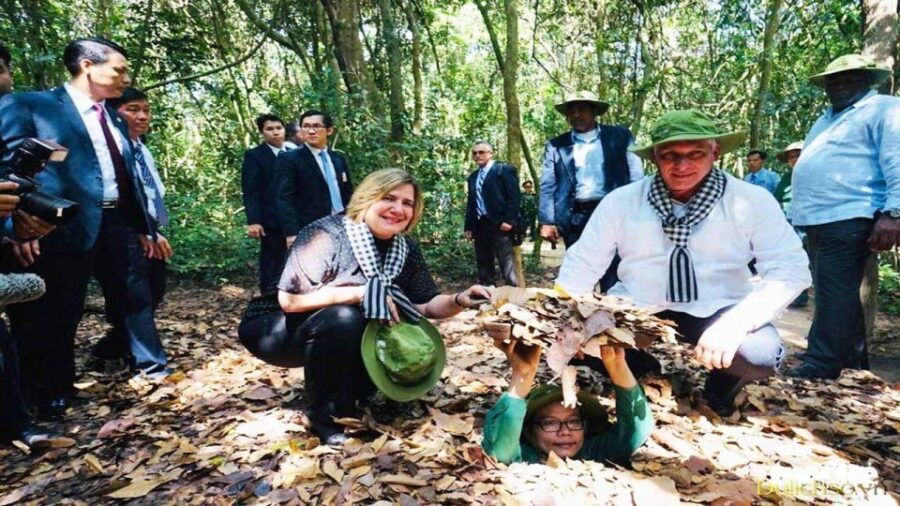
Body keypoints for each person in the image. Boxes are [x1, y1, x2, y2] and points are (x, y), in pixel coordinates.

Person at [556, 109, 811, 415]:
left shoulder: (750, 200)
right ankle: (640, 371)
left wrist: (736, 324)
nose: (682, 165)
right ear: (654, 158)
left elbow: (790, 269)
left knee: (758, 355)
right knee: (570, 340)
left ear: (715, 153)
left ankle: (720, 389)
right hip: (640, 304)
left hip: (720, 305)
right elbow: (582, 264)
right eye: (670, 155)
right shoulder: (621, 201)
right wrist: (565, 319)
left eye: (695, 153)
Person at [239, 168, 490, 444]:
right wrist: (360, 292)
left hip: (338, 327)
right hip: (274, 329)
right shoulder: (326, 234)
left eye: (407, 203)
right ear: (367, 199)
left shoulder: (405, 248)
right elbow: (290, 301)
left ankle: (355, 393)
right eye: (389, 199)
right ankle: (324, 418)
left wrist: (460, 300)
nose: (397, 209)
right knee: (346, 317)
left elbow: (426, 305)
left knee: (373, 321)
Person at [0, 37, 166, 418]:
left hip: (118, 222)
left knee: (137, 296)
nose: (125, 77)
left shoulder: (114, 117)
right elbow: (10, 168)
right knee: (59, 309)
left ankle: (153, 368)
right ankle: (53, 392)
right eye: (119, 69)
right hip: (59, 225)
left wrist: (144, 227)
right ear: (87, 65)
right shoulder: (31, 104)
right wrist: (16, 225)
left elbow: (127, 175)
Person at [788, 54, 900, 380]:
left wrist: (894, 212)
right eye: (833, 80)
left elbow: (897, 159)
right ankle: (852, 365)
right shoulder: (826, 118)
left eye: (848, 79)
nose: (838, 85)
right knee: (835, 290)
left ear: (867, 80)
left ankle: (822, 364)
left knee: (833, 291)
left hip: (852, 213)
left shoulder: (884, 108)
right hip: (819, 218)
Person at [91, 87, 174, 367]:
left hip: (150, 227)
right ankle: (145, 361)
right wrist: (144, 230)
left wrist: (155, 229)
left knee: (153, 289)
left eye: (146, 110)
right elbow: (123, 194)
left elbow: (151, 193)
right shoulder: (110, 150)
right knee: (132, 293)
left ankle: (114, 345)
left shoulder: (141, 148)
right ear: (113, 113)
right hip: (124, 228)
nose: (142, 116)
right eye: (133, 109)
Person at [482, 336, 652, 465]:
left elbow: (633, 433)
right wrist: (522, 375)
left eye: (574, 421)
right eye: (550, 423)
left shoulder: (592, 453)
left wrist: (617, 365)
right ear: (528, 431)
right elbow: (501, 450)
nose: (565, 432)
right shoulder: (524, 457)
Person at [539, 90, 643, 292]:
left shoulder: (620, 137)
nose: (576, 114)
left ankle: (611, 315)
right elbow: (548, 184)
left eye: (582, 109)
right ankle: (580, 318)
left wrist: (637, 208)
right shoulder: (556, 145)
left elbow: (636, 173)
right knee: (579, 270)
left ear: (595, 111)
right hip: (575, 215)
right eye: (571, 111)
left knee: (614, 271)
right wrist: (546, 220)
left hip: (614, 211)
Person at [274, 109, 353, 248]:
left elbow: (347, 192)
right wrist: (291, 233)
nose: (311, 131)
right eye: (306, 126)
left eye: (316, 126)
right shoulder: (289, 159)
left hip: (342, 223)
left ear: (329, 130)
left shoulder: (338, 158)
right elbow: (284, 198)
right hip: (310, 227)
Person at [242, 114, 290, 291]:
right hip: (271, 219)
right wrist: (253, 221)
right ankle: (268, 302)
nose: (275, 133)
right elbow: (251, 190)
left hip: (294, 217)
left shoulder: (294, 152)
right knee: (272, 262)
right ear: (262, 132)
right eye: (270, 129)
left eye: (278, 128)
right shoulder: (255, 156)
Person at [464, 140, 521, 287]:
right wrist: (468, 226)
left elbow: (514, 197)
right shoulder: (473, 177)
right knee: (483, 262)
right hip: (480, 225)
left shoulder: (504, 170)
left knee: (506, 263)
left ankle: (513, 297)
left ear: (491, 153)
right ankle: (487, 296)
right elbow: (472, 202)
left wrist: (509, 221)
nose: (477, 155)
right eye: (474, 153)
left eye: (481, 152)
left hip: (500, 224)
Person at [773, 141, 808, 308]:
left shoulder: (814, 175)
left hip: (810, 223)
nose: (794, 159)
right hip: (789, 222)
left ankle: (804, 295)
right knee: (792, 257)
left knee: (807, 258)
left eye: (797, 155)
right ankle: (796, 295)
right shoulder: (787, 178)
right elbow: (777, 198)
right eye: (791, 157)